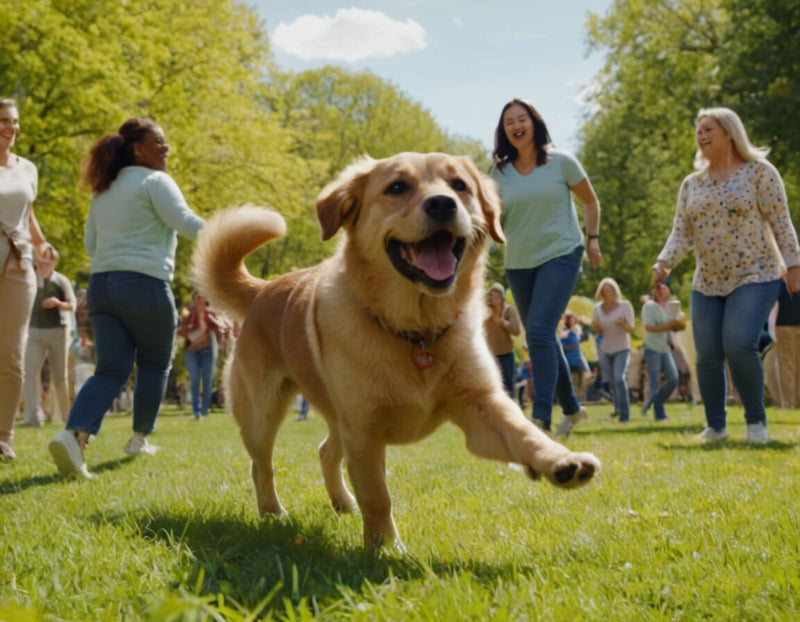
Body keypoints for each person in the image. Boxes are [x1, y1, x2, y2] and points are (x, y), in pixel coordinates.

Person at [48, 117, 205, 477]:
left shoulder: (103, 190)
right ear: (137, 149)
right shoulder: (155, 181)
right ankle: (138, 438)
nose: (165, 149)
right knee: (154, 363)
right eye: (158, 143)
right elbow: (185, 221)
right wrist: (229, 237)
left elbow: (90, 245)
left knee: (111, 369)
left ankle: (75, 435)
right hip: (146, 285)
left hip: (102, 287)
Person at [653, 107, 800, 443]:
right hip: (708, 281)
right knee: (707, 353)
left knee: (738, 342)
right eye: (699, 131)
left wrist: (794, 265)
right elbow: (681, 232)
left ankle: (756, 423)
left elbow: (781, 220)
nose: (702, 136)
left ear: (730, 133)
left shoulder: (759, 173)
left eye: (709, 130)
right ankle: (716, 426)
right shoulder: (692, 184)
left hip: (757, 274)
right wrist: (664, 263)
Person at [490, 98, 602, 437]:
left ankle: (539, 420)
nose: (515, 125)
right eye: (508, 121)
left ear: (534, 123)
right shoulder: (499, 172)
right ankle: (571, 409)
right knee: (543, 337)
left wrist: (593, 238)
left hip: (561, 253)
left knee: (538, 331)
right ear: (503, 131)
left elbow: (590, 201)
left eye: (521, 118)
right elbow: (491, 216)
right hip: (519, 262)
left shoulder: (561, 162)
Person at [0, 98, 50, 460]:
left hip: (19, 267)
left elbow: (28, 217)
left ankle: (4, 437)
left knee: (13, 354)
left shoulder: (28, 169)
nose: (11, 127)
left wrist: (43, 245)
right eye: (3, 120)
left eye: (14, 121)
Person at [22, 245, 76, 426]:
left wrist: (58, 303)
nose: (46, 261)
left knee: (60, 377)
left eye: (49, 258)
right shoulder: (29, 278)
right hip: (34, 332)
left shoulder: (61, 280)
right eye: (43, 257)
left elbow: (72, 305)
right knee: (29, 373)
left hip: (58, 332)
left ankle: (66, 418)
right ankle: (33, 418)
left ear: (54, 261)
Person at [176, 291, 226, 420]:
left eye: (201, 299)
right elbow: (180, 331)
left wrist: (218, 340)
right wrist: (193, 334)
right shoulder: (189, 316)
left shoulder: (212, 315)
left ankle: (205, 410)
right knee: (195, 378)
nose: (199, 301)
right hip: (191, 351)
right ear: (194, 301)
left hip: (207, 351)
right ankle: (195, 410)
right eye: (197, 299)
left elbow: (221, 328)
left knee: (208, 379)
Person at [591, 277, 635, 422]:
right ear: (601, 293)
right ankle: (617, 409)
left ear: (615, 291)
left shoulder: (625, 306)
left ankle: (625, 415)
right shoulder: (597, 309)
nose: (608, 293)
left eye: (610, 290)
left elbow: (631, 329)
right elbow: (596, 330)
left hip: (622, 348)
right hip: (604, 348)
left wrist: (623, 325)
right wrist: (597, 329)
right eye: (605, 291)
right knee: (611, 381)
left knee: (619, 378)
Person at [640, 282, 683, 421]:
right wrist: (668, 326)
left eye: (664, 288)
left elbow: (672, 327)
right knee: (653, 383)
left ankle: (654, 403)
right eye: (658, 288)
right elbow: (649, 328)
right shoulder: (649, 306)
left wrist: (676, 326)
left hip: (665, 349)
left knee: (673, 378)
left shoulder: (671, 308)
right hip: (652, 349)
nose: (661, 291)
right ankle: (658, 414)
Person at [764, 283, 800, 409]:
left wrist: (771, 330)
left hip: (784, 321)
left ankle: (788, 403)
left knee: (786, 365)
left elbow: (773, 301)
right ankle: (794, 401)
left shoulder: (780, 276)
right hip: (787, 321)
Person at [483, 282, 522, 398]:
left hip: (506, 356)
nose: (493, 300)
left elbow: (516, 331)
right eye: (491, 296)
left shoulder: (509, 310)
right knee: (491, 388)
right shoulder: (486, 310)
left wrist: (502, 322)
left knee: (508, 388)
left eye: (496, 297)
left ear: (502, 298)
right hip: (490, 356)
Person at [560, 311, 592, 402]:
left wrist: (586, 326)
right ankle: (573, 398)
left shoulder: (577, 329)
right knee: (571, 378)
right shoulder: (564, 331)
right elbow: (563, 344)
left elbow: (584, 338)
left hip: (578, 355)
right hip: (569, 356)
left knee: (586, 375)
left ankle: (579, 395)